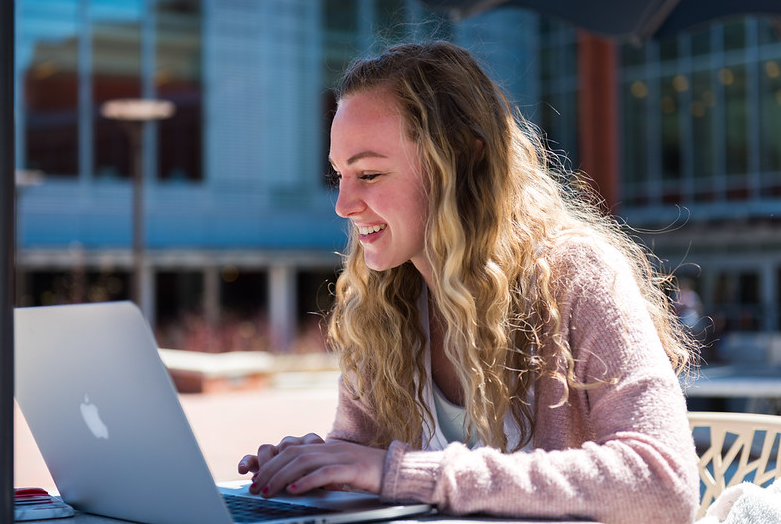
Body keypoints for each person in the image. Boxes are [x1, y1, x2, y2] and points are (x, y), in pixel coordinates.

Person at [238, 41, 700, 524]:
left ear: (460, 160)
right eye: (340, 176)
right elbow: (369, 462)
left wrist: (408, 473)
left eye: (370, 174)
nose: (344, 205)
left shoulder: (578, 275)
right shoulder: (382, 304)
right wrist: (320, 465)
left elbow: (664, 482)